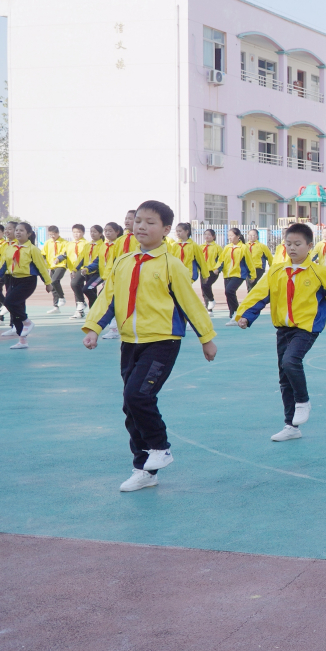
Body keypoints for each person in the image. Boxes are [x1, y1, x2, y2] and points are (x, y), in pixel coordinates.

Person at [82, 200, 217, 492]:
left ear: (166, 230)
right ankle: (144, 469)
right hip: (131, 343)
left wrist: (206, 338)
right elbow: (109, 299)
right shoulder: (123, 261)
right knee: (130, 405)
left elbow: (190, 303)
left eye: (150, 222)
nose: (141, 226)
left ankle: (160, 447)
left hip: (162, 341)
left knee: (138, 395)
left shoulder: (172, 264)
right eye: (138, 220)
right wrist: (94, 328)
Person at [236, 222, 326, 442]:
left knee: (291, 361)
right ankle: (291, 425)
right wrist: (246, 315)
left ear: (310, 246)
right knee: (284, 377)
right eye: (288, 244)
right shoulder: (276, 271)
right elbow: (259, 294)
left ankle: (303, 401)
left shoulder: (318, 272)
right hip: (283, 329)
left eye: (298, 244)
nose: (292, 248)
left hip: (306, 329)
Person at [0, 222, 53, 349]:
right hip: (13, 280)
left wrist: (48, 283)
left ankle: (27, 321)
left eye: (21, 230)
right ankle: (22, 341)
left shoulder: (33, 249)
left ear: (29, 234)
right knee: (16, 309)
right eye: (16, 230)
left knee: (10, 302)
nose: (17, 232)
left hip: (27, 281)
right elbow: (3, 264)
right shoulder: (10, 247)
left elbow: (41, 267)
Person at [87, 222, 125, 340]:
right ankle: (111, 326)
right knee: (103, 298)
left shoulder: (118, 245)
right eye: (106, 231)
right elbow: (99, 260)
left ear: (117, 232)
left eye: (110, 231)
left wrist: (110, 277)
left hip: (113, 277)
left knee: (110, 302)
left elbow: (116, 262)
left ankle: (114, 328)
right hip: (105, 276)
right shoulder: (105, 245)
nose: (107, 233)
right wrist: (86, 268)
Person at [219, 228, 253, 324]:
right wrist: (217, 269)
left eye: (232, 235)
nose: (230, 237)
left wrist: (252, 275)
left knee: (229, 291)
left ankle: (236, 313)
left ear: (238, 236)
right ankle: (233, 315)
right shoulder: (227, 247)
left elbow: (249, 262)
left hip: (239, 274)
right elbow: (221, 260)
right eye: (228, 235)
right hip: (227, 274)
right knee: (228, 293)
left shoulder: (243, 247)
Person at [64, 224, 92, 318]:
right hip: (73, 269)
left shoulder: (87, 244)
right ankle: (79, 311)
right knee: (77, 288)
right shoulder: (69, 244)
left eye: (79, 232)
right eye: (74, 232)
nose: (76, 234)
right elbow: (65, 255)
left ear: (83, 233)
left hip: (84, 268)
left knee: (75, 284)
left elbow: (84, 257)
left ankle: (85, 305)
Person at [42, 225, 70, 314]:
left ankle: (62, 297)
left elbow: (65, 254)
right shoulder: (48, 243)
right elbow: (43, 254)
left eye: (54, 234)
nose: (52, 236)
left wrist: (59, 259)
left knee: (54, 280)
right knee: (52, 285)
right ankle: (56, 307)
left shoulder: (65, 242)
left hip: (61, 265)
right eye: (50, 235)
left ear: (58, 233)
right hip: (51, 266)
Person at [199, 228, 223, 314]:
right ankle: (209, 309)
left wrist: (218, 269)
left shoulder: (217, 247)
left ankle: (212, 300)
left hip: (213, 271)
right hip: (203, 271)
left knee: (206, 285)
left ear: (213, 236)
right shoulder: (201, 247)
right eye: (205, 234)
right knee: (204, 289)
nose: (207, 236)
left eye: (209, 234)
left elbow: (222, 259)